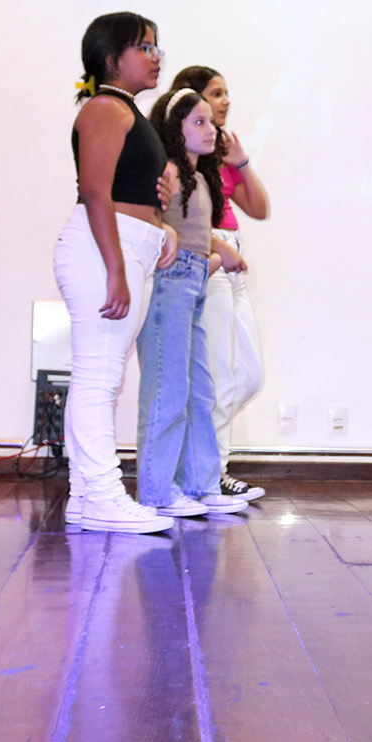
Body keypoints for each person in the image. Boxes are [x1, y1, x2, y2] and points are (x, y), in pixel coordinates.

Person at [54, 13, 177, 535]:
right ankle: (103, 496)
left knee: (99, 376)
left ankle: (86, 497)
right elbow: (95, 193)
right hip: (104, 251)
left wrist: (163, 224)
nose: (156, 56)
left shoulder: (126, 111)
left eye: (156, 47)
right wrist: (115, 269)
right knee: (99, 378)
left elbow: (133, 191)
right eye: (144, 47)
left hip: (123, 248)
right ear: (110, 58)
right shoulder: (105, 108)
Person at [134, 88, 251, 517]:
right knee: (168, 390)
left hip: (195, 285)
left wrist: (214, 258)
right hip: (171, 288)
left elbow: (198, 243)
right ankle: (157, 492)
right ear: (174, 128)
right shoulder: (168, 172)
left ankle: (201, 484)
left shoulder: (201, 179)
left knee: (200, 390)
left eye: (211, 122)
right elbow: (157, 228)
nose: (210, 130)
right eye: (198, 122)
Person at [168, 66, 269, 503]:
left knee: (249, 376)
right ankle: (211, 473)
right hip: (212, 257)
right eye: (215, 94)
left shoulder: (220, 154)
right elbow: (181, 217)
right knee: (221, 376)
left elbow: (260, 208)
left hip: (233, 260)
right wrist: (216, 249)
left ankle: (200, 462)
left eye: (226, 94)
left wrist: (241, 162)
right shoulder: (189, 160)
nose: (225, 102)